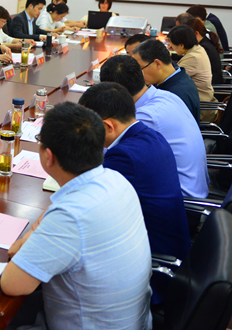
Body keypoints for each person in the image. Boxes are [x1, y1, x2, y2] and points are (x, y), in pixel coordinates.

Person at [1, 102, 152, 330]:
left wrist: (26, 240)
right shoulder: (115, 179)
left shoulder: (71, 217)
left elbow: (12, 284)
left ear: (48, 157)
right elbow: (48, 221)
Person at [79, 83, 191, 305]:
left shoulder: (124, 158)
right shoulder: (150, 135)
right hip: (173, 250)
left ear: (107, 126)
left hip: (152, 271)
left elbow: (86, 204)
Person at [100, 55, 209, 198]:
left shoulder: (145, 117)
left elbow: (106, 156)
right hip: (192, 184)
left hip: (182, 197)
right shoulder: (166, 96)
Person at [132, 39, 201, 123]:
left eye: (140, 68)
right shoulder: (177, 77)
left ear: (157, 64)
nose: (139, 74)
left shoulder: (175, 94)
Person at [167, 24, 218, 122]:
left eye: (171, 44)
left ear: (181, 45)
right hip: (199, 102)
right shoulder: (198, 49)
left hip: (200, 109)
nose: (170, 46)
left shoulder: (193, 58)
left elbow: (169, 77)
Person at [179, 16, 224, 85]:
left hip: (212, 85)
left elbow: (190, 59)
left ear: (196, 34)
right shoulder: (204, 42)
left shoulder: (203, 48)